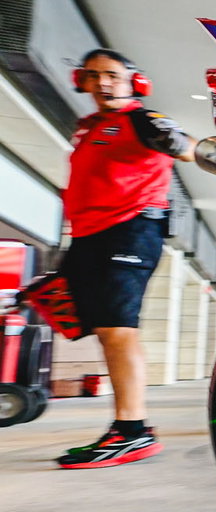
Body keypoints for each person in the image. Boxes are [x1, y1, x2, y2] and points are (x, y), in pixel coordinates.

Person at [54, 49, 195, 468]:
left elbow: (184, 147)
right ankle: (129, 429)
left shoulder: (140, 120)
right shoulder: (91, 128)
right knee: (106, 332)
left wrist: (178, 141)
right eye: (94, 76)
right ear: (82, 81)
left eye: (112, 75)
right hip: (90, 237)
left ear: (134, 81)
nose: (103, 83)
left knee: (119, 331)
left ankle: (131, 433)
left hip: (129, 230)